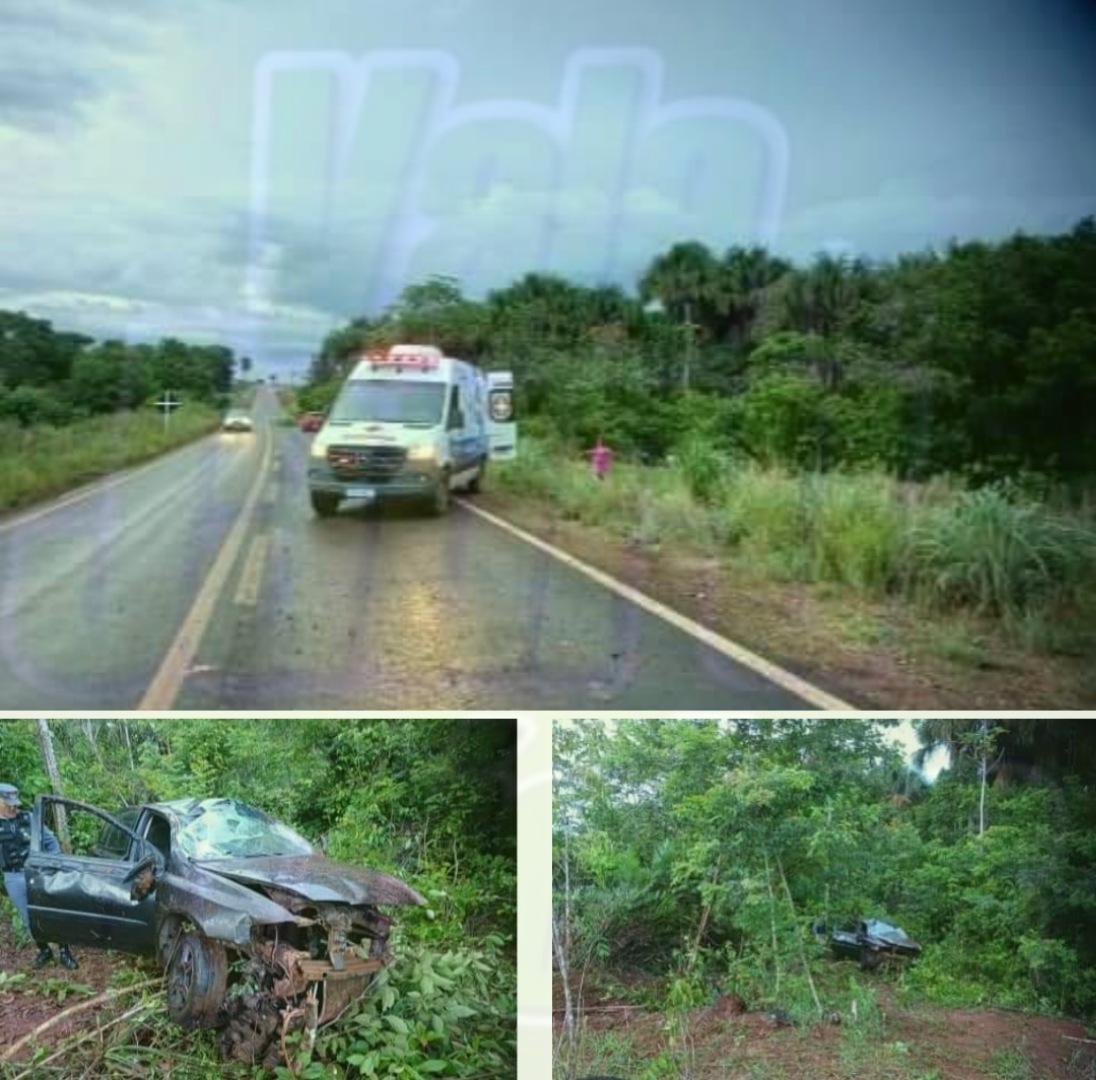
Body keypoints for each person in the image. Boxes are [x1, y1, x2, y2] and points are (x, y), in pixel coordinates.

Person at [0, 783, 78, 970]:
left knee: (52, 912)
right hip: (14, 877)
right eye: (8, 803)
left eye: (14, 802)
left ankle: (65, 952)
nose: (14, 807)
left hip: (38, 873)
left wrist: (54, 862)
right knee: (29, 918)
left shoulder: (29, 818)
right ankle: (44, 950)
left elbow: (51, 841)